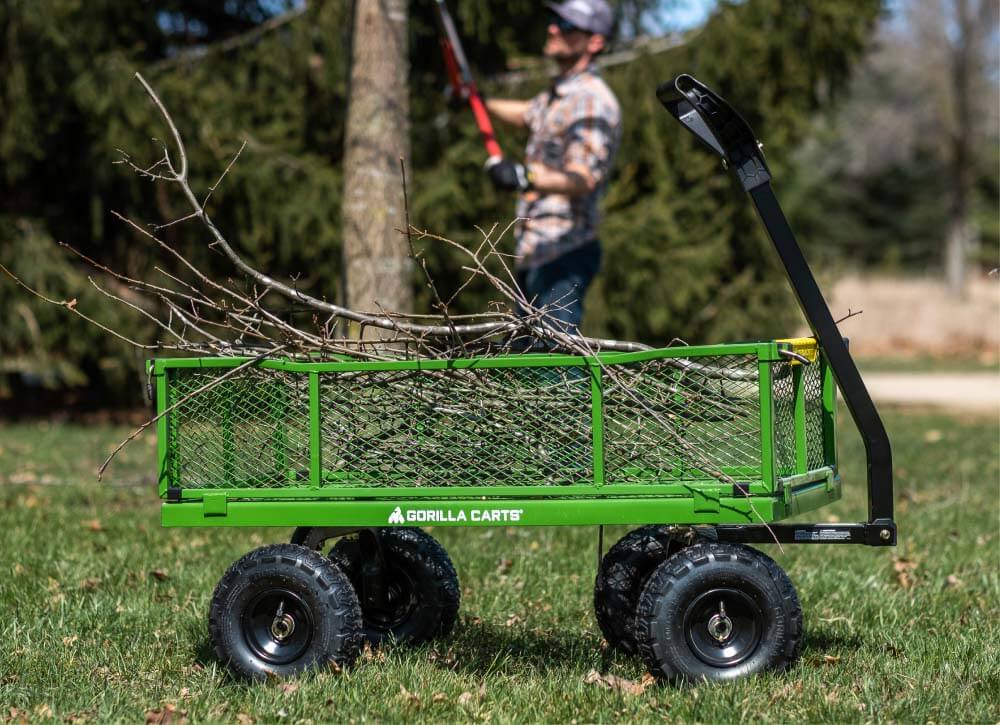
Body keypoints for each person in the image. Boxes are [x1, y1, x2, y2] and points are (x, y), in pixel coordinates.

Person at [485, 0, 621, 337]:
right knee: (527, 369)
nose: (553, 28)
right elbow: (525, 113)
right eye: (554, 21)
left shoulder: (591, 100)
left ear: (595, 42)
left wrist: (524, 176)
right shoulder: (558, 96)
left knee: (554, 369)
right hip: (536, 251)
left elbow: (584, 177)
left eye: (567, 26)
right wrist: (476, 100)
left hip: (565, 253)